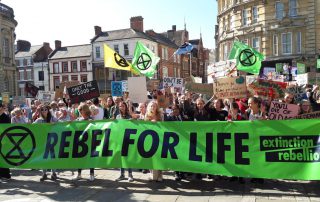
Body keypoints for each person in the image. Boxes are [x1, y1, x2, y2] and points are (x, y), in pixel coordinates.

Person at [33, 104, 58, 181]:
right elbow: (31, 126)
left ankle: (53, 173)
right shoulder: (39, 120)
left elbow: (61, 124)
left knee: (52, 157)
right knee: (43, 157)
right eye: (42, 110)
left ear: (48, 110)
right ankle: (44, 173)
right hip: (43, 141)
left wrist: (55, 124)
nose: (44, 111)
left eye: (45, 109)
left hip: (52, 141)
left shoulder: (53, 118)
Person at [73, 103, 95, 181]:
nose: (79, 111)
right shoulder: (78, 120)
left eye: (80, 110)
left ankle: (92, 174)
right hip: (81, 142)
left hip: (89, 141)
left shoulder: (91, 120)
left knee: (90, 158)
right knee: (80, 158)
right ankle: (79, 174)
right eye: (79, 110)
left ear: (84, 110)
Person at [115, 101, 134, 182]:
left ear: (125, 107)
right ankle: (122, 174)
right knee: (121, 158)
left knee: (128, 157)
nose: (121, 107)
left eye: (123, 106)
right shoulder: (118, 117)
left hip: (128, 139)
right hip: (120, 139)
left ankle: (130, 174)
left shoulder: (129, 116)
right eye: (120, 106)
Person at [145, 101, 163, 182]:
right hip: (149, 139)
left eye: (154, 106)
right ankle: (152, 174)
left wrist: (157, 123)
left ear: (157, 107)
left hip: (159, 138)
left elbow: (163, 126)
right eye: (151, 106)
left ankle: (160, 175)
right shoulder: (147, 115)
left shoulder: (160, 115)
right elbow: (144, 126)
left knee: (158, 157)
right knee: (150, 157)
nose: (152, 107)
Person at [0, 103, 11, 181]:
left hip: (3, 140)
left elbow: (8, 129)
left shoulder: (6, 117)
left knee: (3, 156)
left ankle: (5, 174)